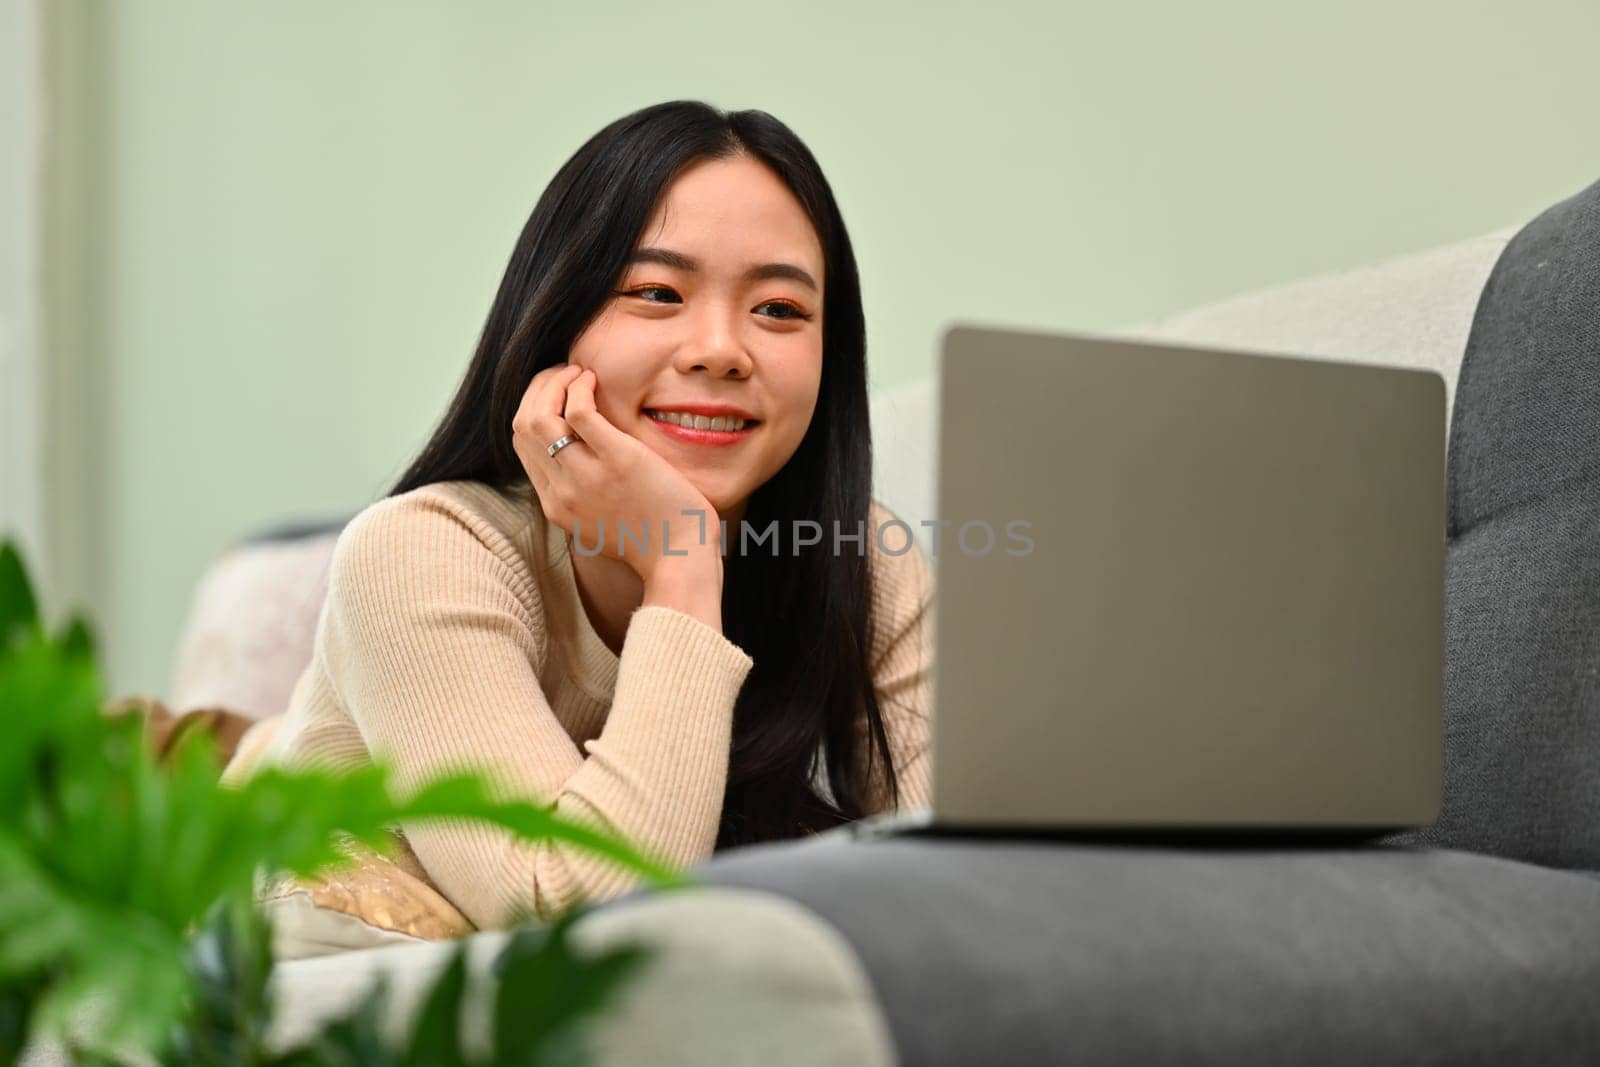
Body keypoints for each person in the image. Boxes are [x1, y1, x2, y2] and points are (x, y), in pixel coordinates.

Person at [222, 99, 934, 937]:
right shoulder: (417, 552)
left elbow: (975, 878)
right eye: (657, 291)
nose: (720, 349)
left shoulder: (861, 564)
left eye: (778, 309)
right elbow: (577, 917)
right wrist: (682, 564)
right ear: (557, 325)